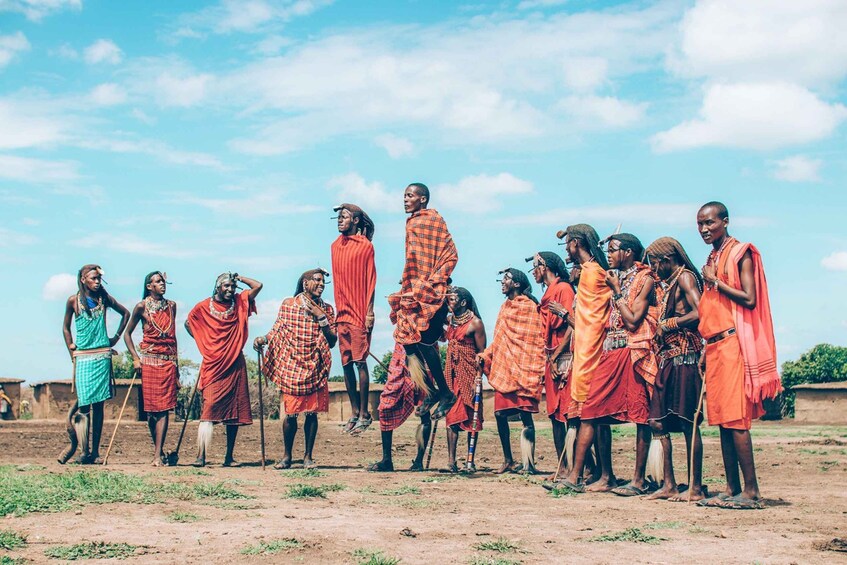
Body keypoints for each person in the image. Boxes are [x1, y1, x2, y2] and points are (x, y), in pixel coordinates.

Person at [696, 202, 781, 510]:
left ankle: (751, 490)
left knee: (735, 419)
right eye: (700, 224)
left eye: (710, 223)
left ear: (726, 221)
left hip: (732, 345)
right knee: (721, 420)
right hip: (715, 345)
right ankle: (732, 487)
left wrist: (716, 282)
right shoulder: (713, 256)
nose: (705, 229)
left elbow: (749, 297)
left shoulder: (740, 252)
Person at [388, 183, 458, 420]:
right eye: (404, 195)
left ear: (423, 198)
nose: (405, 199)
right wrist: (408, 279)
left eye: (410, 195)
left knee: (426, 343)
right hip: (412, 289)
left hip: (431, 291)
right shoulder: (411, 223)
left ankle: (445, 394)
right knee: (406, 339)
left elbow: (450, 253)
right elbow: (414, 259)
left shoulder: (433, 220)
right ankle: (432, 390)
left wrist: (435, 279)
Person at [255, 269, 337, 469]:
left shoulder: (327, 309)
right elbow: (278, 329)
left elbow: (333, 341)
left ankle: (308, 457)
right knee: (290, 413)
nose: (321, 285)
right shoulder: (289, 305)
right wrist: (263, 339)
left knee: (312, 414)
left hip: (315, 366)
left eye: (323, 282)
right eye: (316, 281)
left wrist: (321, 318)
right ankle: (287, 456)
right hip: (292, 364)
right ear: (305, 283)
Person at [644, 237, 707, 501]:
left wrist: (668, 325)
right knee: (657, 421)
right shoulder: (669, 284)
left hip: (686, 357)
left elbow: (701, 311)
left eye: (655, 264)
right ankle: (668, 484)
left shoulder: (686, 278)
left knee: (687, 421)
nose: (654, 270)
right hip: (668, 359)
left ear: (667, 260)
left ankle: (695, 486)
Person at [185, 272, 262, 467]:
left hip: (235, 361)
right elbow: (189, 323)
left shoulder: (239, 301)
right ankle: (201, 455)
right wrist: (205, 341)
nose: (230, 290)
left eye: (232, 287)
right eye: (226, 286)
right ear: (218, 287)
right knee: (209, 407)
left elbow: (258, 286)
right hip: (213, 363)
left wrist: (240, 278)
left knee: (234, 411)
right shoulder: (203, 306)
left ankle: (229, 457)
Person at [559, 225, 613, 491]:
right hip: (585, 351)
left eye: (567, 243)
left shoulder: (592, 275)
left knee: (592, 416)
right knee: (594, 417)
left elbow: (591, 321)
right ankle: (600, 474)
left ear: (576, 243)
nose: (566, 250)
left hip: (591, 352)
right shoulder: (588, 273)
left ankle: (578, 475)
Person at [478, 268, 545, 474]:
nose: (502, 282)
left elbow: (534, 339)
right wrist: (485, 356)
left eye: (506, 279)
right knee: (499, 414)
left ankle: (528, 463)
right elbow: (499, 340)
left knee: (525, 416)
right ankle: (508, 459)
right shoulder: (504, 308)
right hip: (506, 369)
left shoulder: (529, 307)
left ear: (516, 283)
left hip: (524, 368)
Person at [62, 264, 130, 464]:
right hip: (83, 357)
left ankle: (95, 453)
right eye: (93, 278)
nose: (97, 282)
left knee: (99, 406)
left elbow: (125, 313)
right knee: (84, 407)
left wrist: (114, 339)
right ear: (83, 279)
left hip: (101, 356)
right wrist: (71, 351)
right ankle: (83, 452)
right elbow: (65, 328)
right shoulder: (73, 301)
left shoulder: (104, 299)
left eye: (99, 279)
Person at [124, 271, 180, 467]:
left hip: (167, 361)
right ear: (149, 286)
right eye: (157, 281)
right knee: (151, 412)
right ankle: (159, 449)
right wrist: (135, 359)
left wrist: (177, 368)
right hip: (148, 361)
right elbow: (127, 335)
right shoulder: (141, 307)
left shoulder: (172, 306)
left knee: (164, 409)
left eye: (163, 281)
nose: (162, 284)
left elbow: (173, 338)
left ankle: (157, 455)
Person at [331, 203, 377, 435]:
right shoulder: (334, 247)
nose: (340, 220)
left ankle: (365, 414)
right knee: (346, 364)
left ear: (356, 221)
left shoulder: (365, 247)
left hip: (359, 313)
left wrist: (369, 312)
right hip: (342, 315)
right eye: (338, 217)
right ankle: (354, 411)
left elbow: (371, 281)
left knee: (360, 362)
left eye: (345, 216)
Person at [530, 251, 575, 477]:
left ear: (544, 266)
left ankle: (578, 468)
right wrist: (550, 358)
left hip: (566, 354)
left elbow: (570, 326)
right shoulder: (548, 293)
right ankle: (562, 466)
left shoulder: (564, 289)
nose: (534, 272)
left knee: (568, 412)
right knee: (554, 414)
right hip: (552, 357)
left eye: (535, 267)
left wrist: (557, 356)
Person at [367, 343, 430, 472]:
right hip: (400, 359)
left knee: (424, 409)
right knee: (385, 406)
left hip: (423, 356)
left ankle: (419, 461)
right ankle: (386, 460)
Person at [443, 286, 487, 473]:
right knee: (451, 416)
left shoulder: (475, 323)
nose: (449, 302)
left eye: (452, 299)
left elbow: (482, 352)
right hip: (452, 374)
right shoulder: (450, 321)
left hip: (469, 373)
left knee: (471, 415)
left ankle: (470, 461)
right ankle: (451, 462)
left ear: (463, 302)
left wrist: (478, 376)